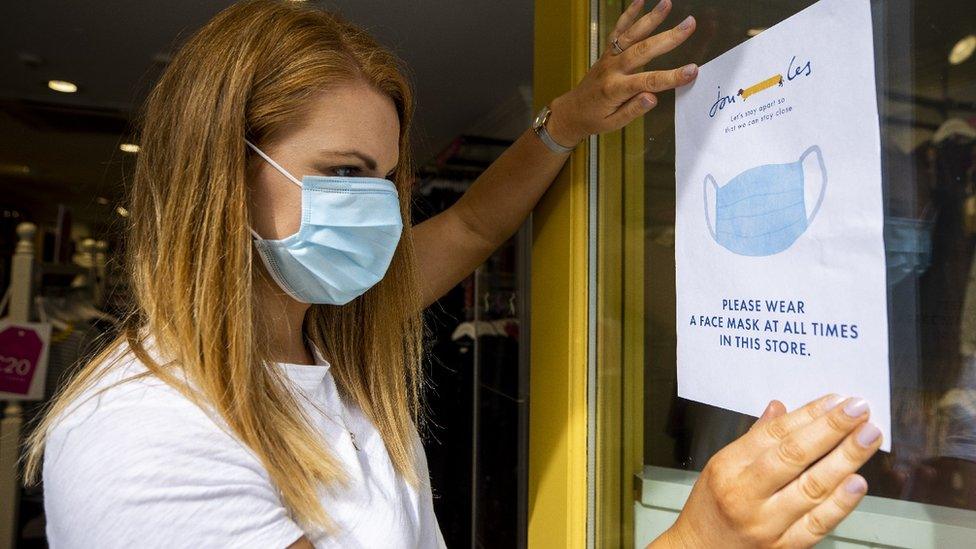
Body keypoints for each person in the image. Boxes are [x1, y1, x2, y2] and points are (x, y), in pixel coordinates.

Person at [22, 0, 882, 547]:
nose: (380, 212)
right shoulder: (142, 435)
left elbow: (471, 223)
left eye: (387, 181)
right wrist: (699, 541)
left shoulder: (330, 335)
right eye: (345, 173)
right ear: (221, 170)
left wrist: (565, 126)